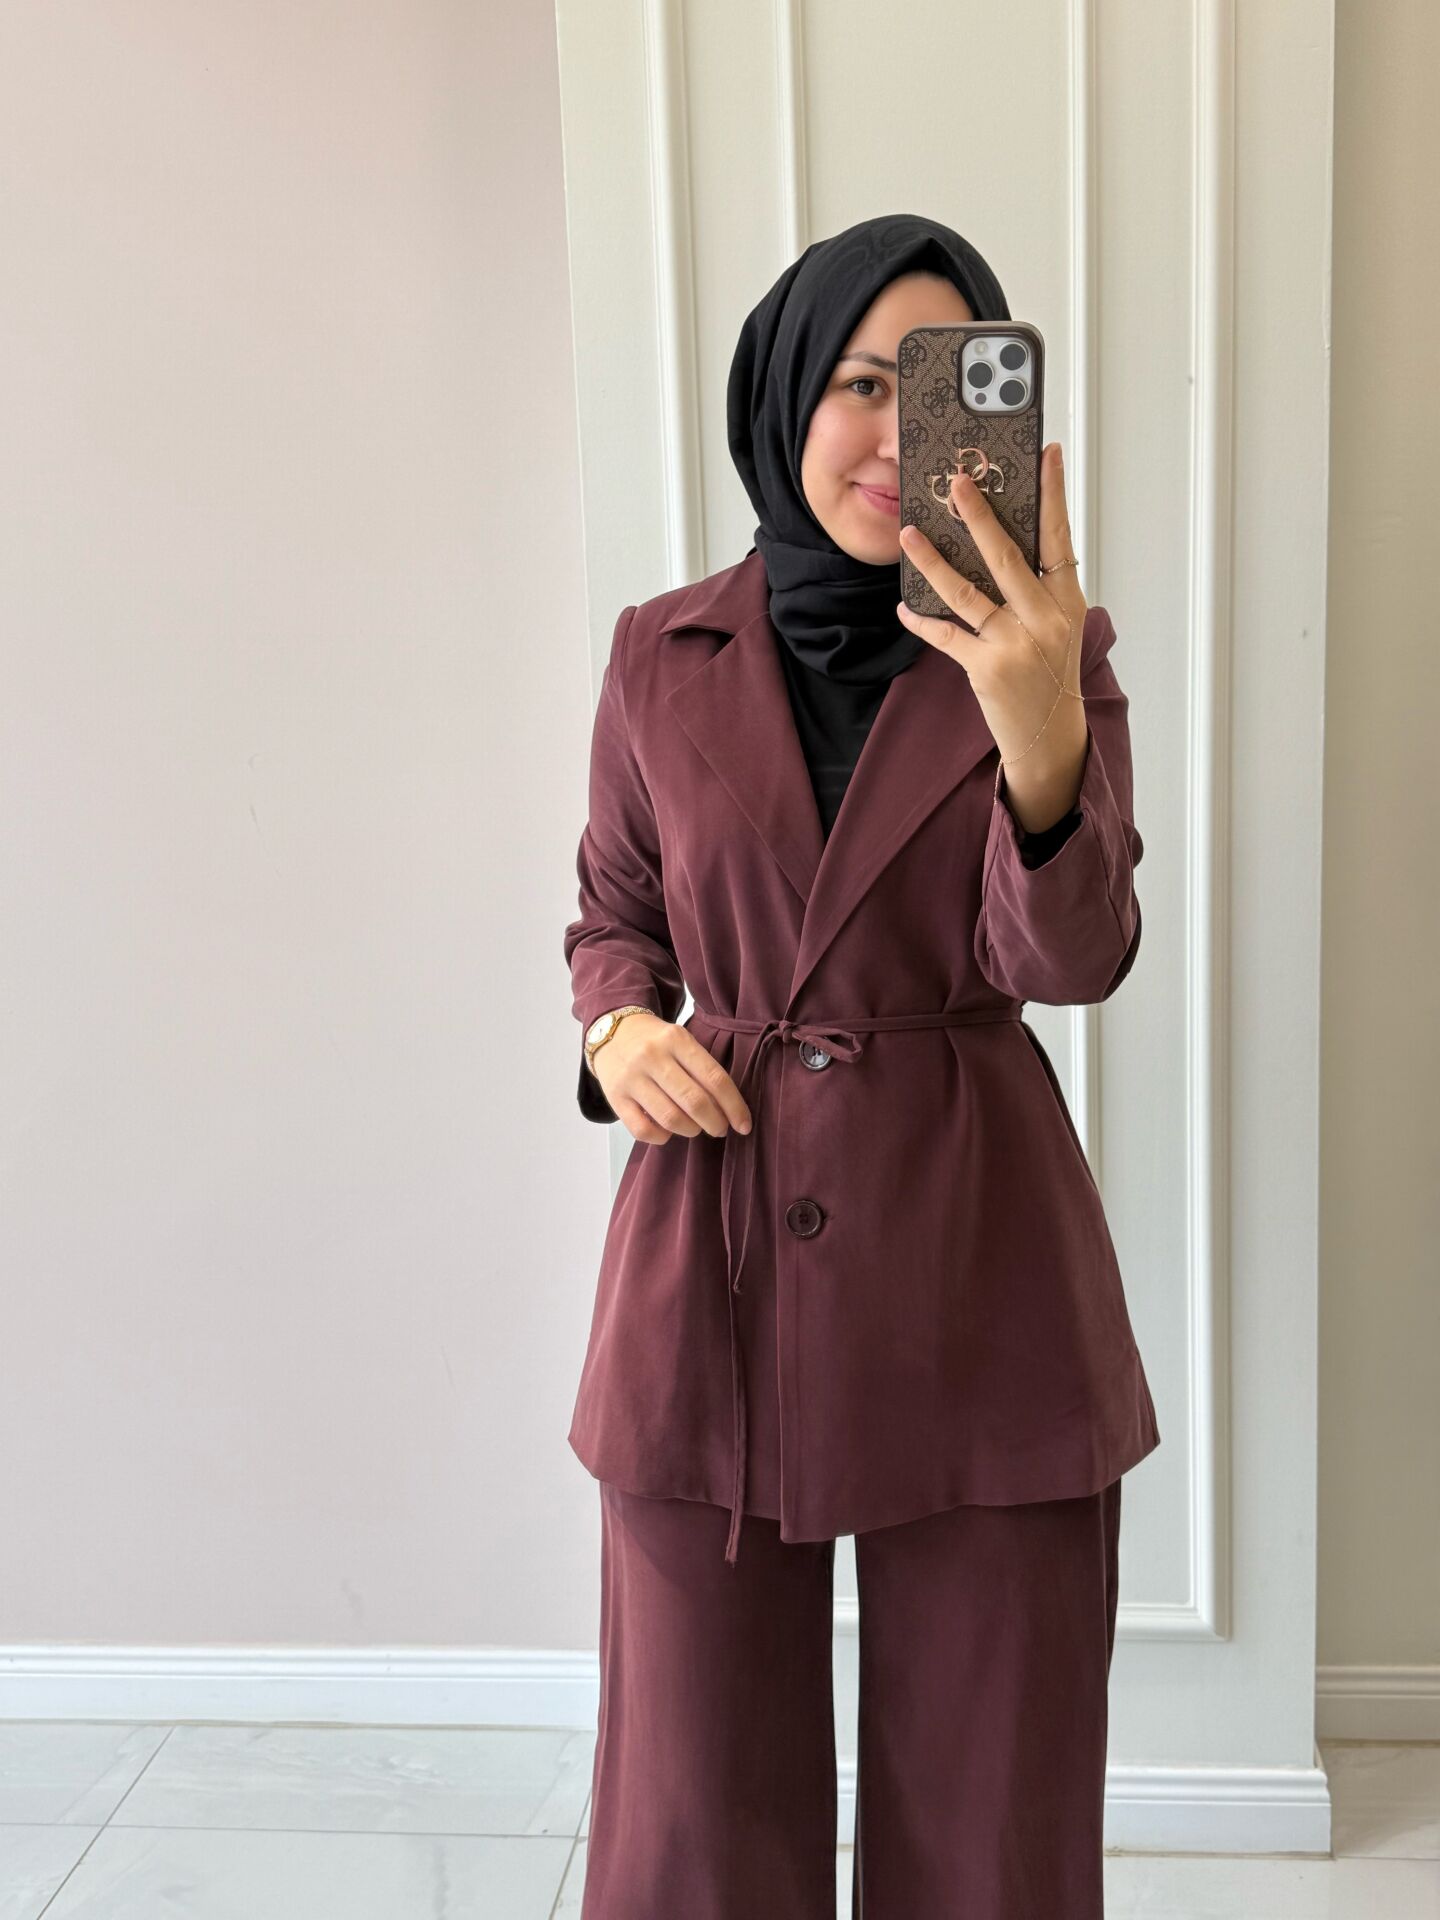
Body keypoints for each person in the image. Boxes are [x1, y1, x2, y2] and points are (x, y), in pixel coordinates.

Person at [563, 211, 1160, 1919]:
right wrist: (618, 1029)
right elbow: (613, 912)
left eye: (943, 386)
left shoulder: (1052, 648)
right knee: (693, 1816)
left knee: (992, 1812)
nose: (900, 435)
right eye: (858, 384)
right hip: (712, 1262)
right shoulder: (660, 651)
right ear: (779, 397)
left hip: (981, 1259)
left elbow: (1069, 961)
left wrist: (1037, 730)